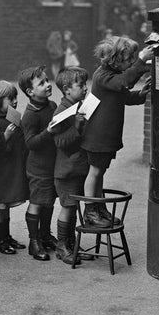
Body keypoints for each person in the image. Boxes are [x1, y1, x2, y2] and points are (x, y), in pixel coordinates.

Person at [81, 36, 153, 227]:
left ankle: (99, 207)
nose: (131, 62)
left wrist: (141, 95)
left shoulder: (111, 75)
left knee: (100, 172)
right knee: (95, 172)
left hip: (105, 136)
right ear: (115, 59)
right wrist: (141, 62)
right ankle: (90, 211)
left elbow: (124, 95)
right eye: (129, 59)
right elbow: (123, 83)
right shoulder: (102, 75)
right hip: (97, 136)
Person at [50, 66, 95, 265]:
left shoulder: (78, 105)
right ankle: (62, 246)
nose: (85, 88)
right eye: (80, 85)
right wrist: (77, 126)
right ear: (67, 89)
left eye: (85, 84)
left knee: (74, 206)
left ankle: (71, 244)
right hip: (66, 170)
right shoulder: (63, 111)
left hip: (77, 167)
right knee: (68, 207)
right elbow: (59, 142)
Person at [18, 65, 58, 261]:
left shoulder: (51, 106)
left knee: (49, 201)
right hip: (38, 168)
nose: (48, 85)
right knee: (37, 203)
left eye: (47, 80)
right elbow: (31, 143)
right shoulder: (30, 114)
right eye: (42, 83)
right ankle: (34, 242)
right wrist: (48, 132)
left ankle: (45, 235)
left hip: (52, 164)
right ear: (30, 91)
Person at [0, 80, 28, 254]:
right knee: (0, 206)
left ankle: (6, 236)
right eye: (10, 99)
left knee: (7, 204)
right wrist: (6, 137)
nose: (15, 101)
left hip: (11, 169)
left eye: (15, 97)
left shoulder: (12, 116)